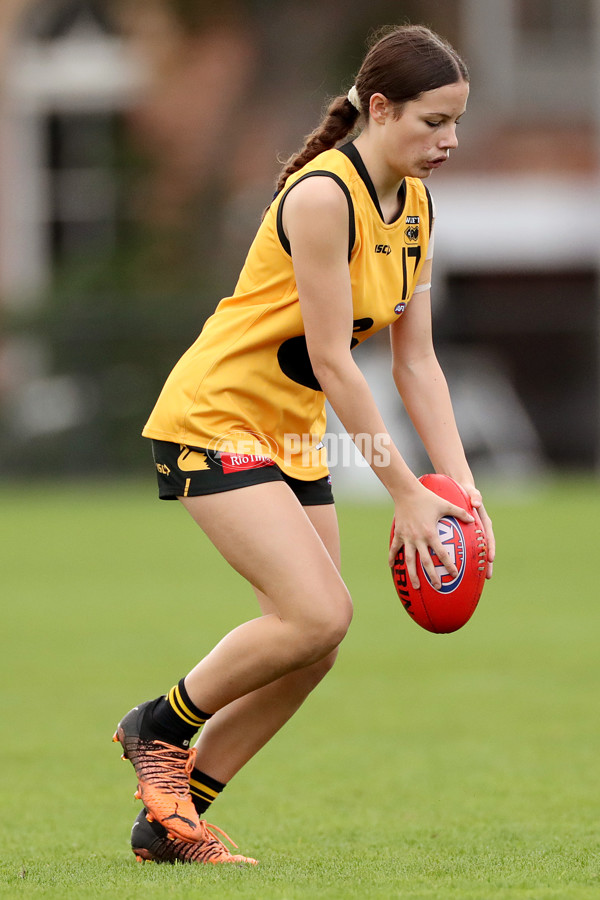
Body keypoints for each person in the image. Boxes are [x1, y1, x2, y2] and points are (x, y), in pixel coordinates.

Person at [113, 23, 495, 866]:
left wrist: (459, 491)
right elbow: (333, 361)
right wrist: (402, 491)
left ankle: (168, 822)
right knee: (319, 612)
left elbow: (417, 362)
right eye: (434, 122)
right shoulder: (324, 196)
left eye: (457, 121)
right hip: (215, 417)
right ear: (382, 108)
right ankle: (156, 726)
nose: (451, 140)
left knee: (312, 645)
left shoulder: (418, 206)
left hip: (289, 433)